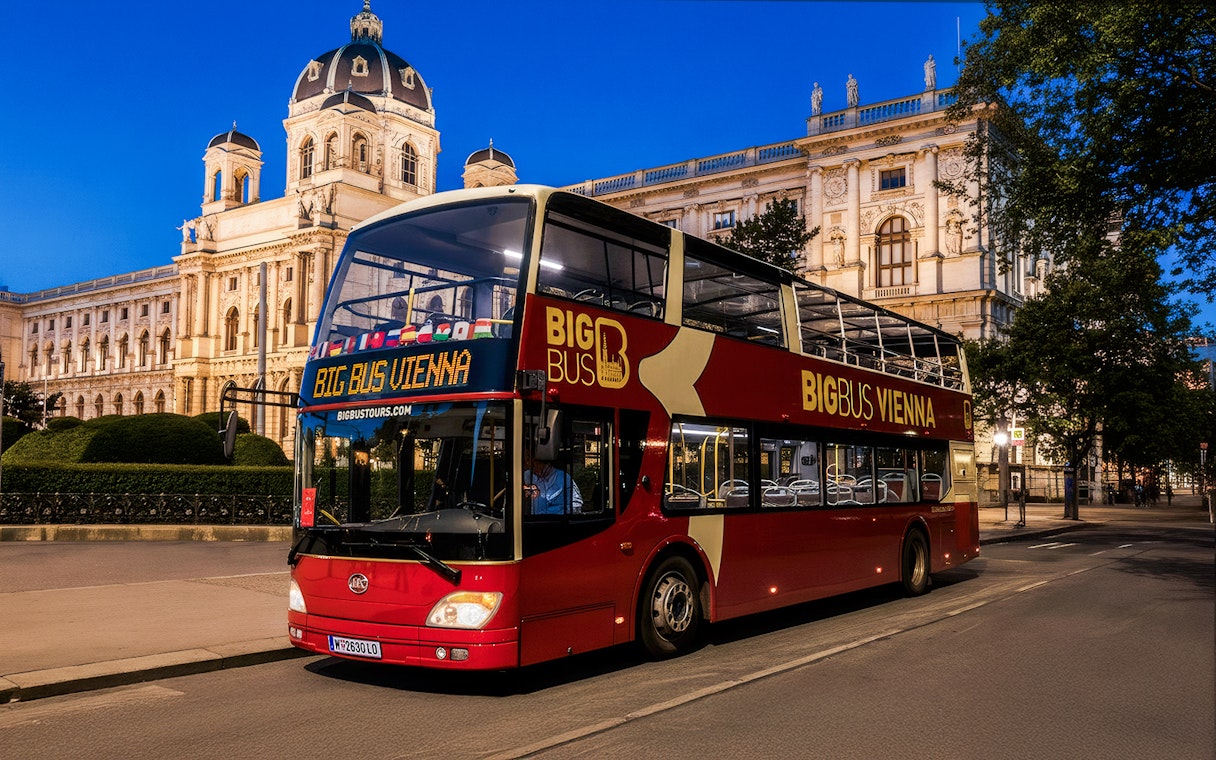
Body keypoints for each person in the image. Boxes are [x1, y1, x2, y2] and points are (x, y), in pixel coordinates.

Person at [523, 447, 582, 515]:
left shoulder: (563, 479)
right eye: (527, 463)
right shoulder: (528, 476)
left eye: (533, 464)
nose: (530, 466)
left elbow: (576, 507)